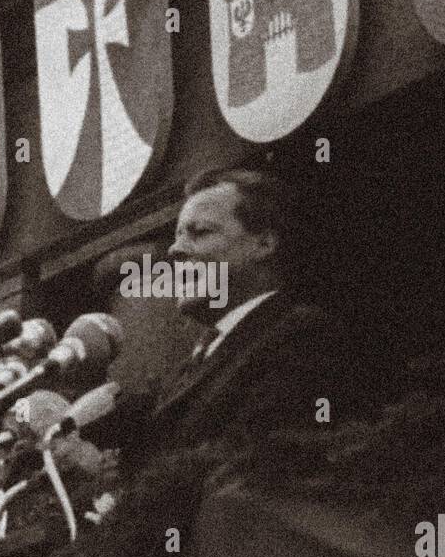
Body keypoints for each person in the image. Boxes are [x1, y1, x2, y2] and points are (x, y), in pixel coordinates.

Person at [93, 167, 366, 462]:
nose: (174, 250)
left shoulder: (302, 337)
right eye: (178, 235)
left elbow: (254, 463)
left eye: (200, 232)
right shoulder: (198, 358)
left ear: (263, 244)